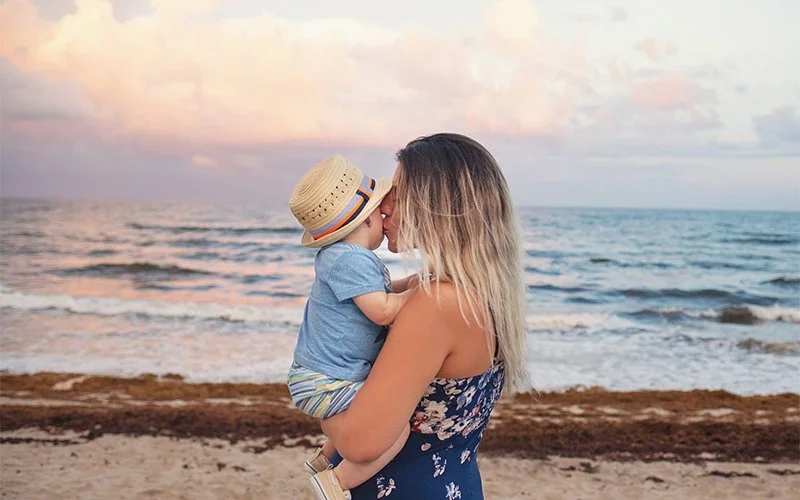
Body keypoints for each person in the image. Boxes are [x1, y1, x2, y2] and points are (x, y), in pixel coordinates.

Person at [319, 133, 530, 499]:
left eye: (398, 193)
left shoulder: (437, 303)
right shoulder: (482, 293)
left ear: (437, 205)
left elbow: (360, 442)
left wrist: (317, 392)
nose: (383, 205)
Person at [287, 155, 416, 500]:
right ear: (368, 218)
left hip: (321, 375)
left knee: (361, 405)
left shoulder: (341, 256)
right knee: (396, 427)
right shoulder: (351, 259)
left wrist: (409, 284)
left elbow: (382, 294)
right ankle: (337, 482)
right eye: (380, 212)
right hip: (326, 380)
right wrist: (422, 296)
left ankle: (324, 458)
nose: (386, 216)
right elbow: (382, 311)